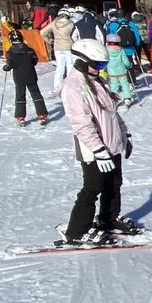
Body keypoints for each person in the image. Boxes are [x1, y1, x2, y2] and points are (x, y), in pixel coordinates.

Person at [56, 37, 136, 246]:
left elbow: (111, 113)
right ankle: (76, 230)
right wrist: (98, 150)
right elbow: (81, 124)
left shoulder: (95, 81)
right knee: (92, 188)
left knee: (113, 184)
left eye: (104, 65)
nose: (101, 69)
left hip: (112, 144)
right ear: (82, 61)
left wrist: (124, 135)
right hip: (94, 149)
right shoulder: (73, 87)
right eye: (98, 64)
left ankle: (107, 220)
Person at [3, 27, 49, 126]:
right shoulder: (29, 49)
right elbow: (35, 61)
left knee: (20, 96)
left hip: (19, 77)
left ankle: (20, 117)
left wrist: (7, 67)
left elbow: (10, 63)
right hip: (31, 75)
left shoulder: (10, 52)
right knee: (36, 94)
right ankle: (42, 114)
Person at [39, 7, 74, 97]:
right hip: (68, 47)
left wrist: (50, 40)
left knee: (59, 68)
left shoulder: (53, 24)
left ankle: (56, 89)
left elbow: (42, 32)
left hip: (57, 47)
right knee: (70, 67)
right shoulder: (71, 24)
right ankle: (69, 87)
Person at [105, 32, 135, 104]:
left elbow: (105, 59)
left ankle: (114, 99)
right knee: (125, 84)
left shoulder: (106, 50)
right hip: (122, 71)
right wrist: (129, 65)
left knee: (114, 85)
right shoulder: (121, 50)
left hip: (112, 71)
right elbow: (125, 60)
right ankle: (127, 98)